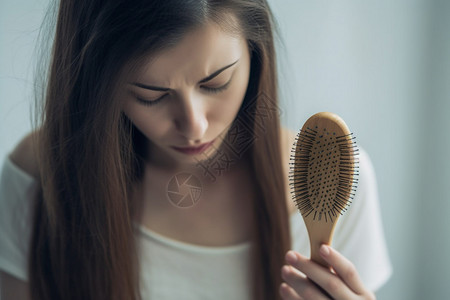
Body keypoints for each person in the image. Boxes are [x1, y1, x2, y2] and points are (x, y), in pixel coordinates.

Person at [0, 0, 392, 299]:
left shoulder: (330, 179)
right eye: (151, 96)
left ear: (255, 54)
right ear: (98, 88)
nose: (195, 126)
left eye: (216, 83)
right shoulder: (39, 179)